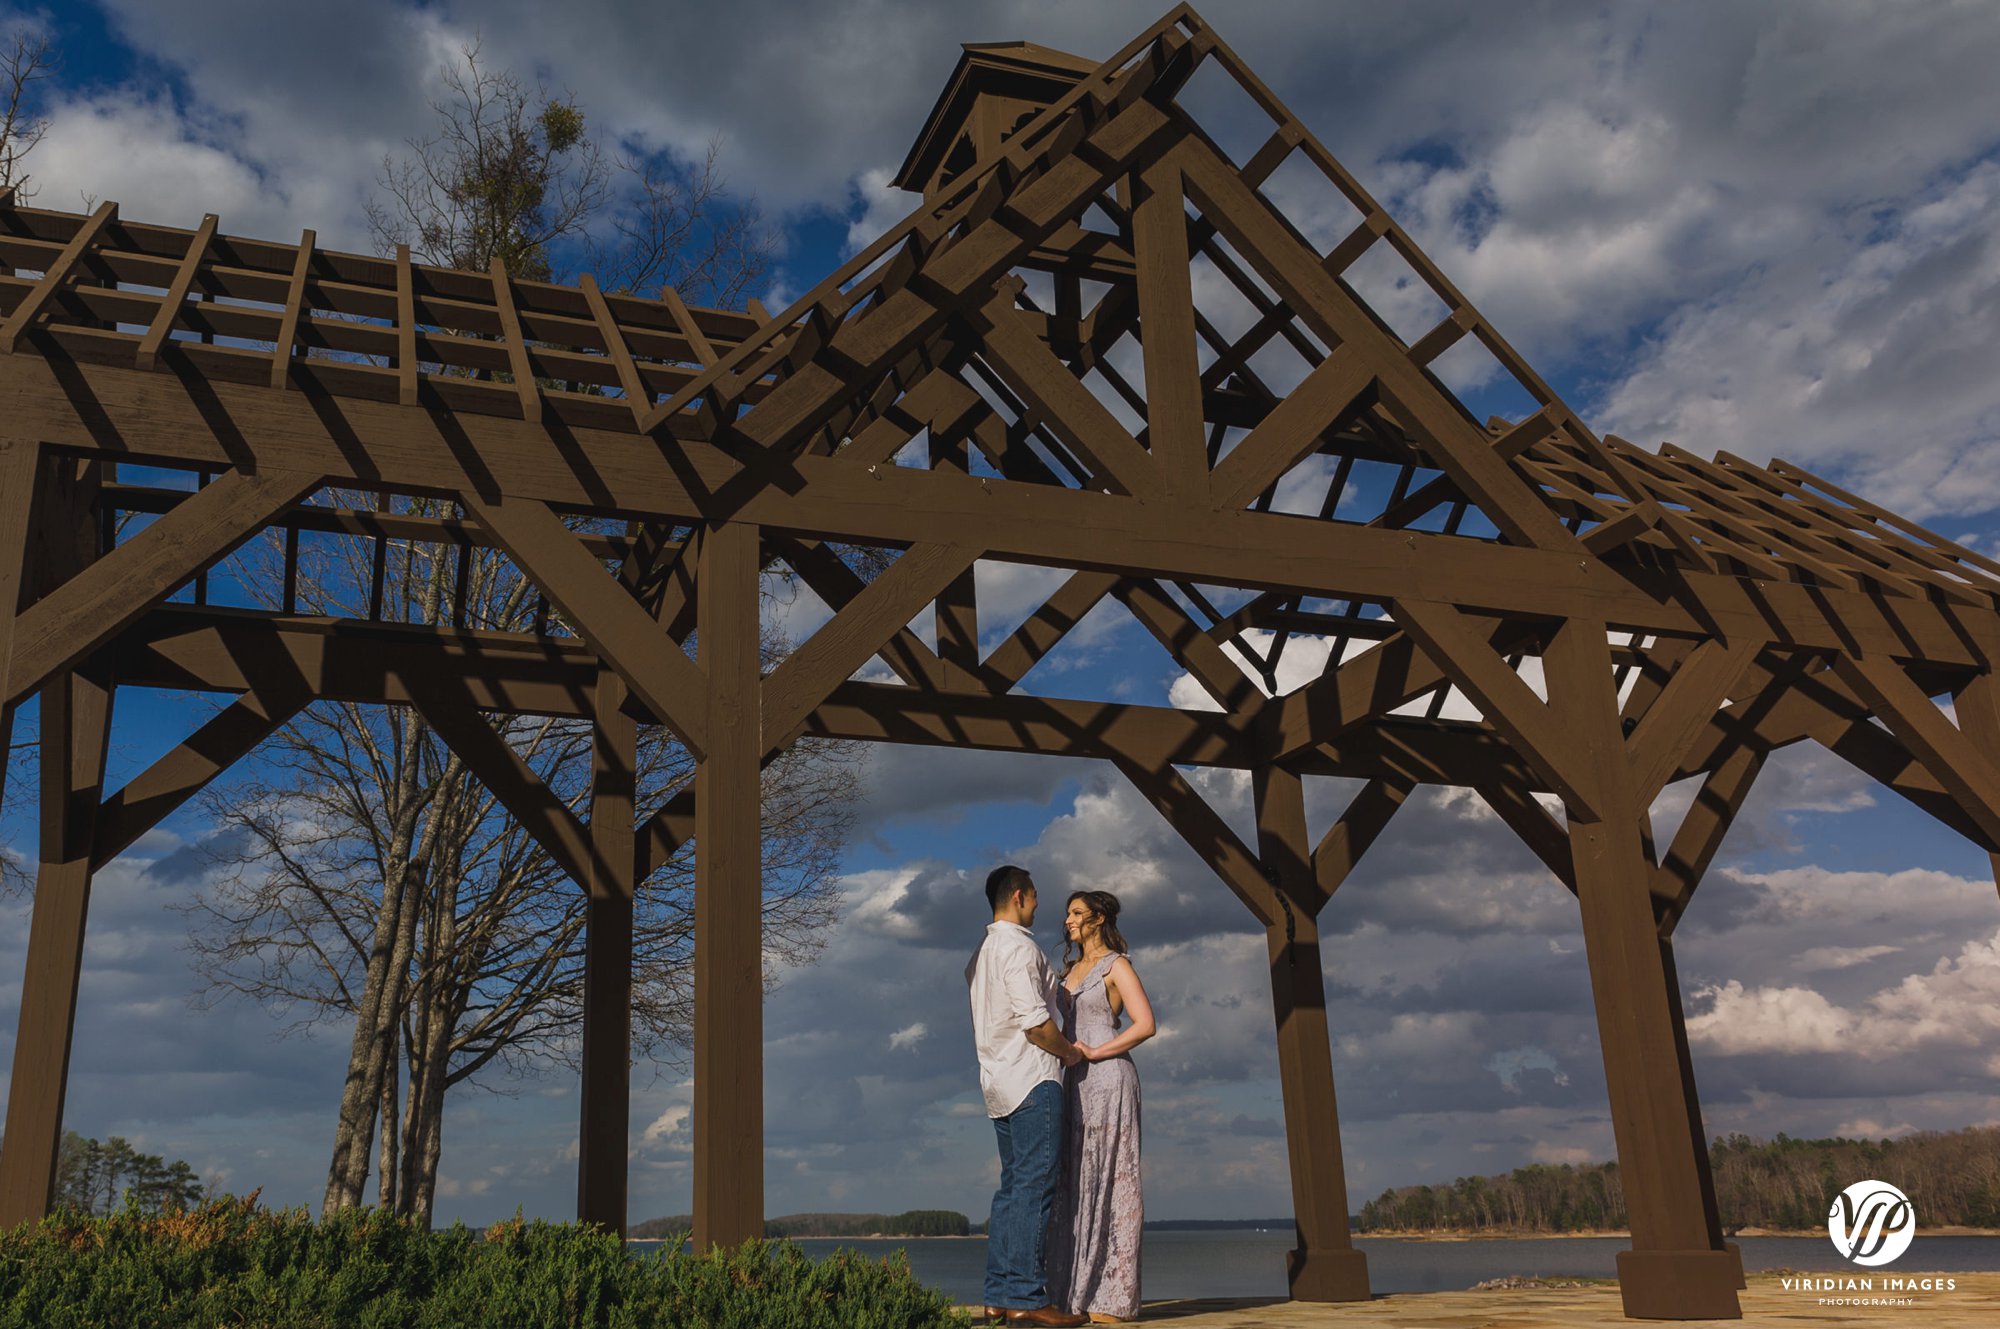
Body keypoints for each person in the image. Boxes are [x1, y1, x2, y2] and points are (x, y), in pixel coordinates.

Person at [967, 865, 1089, 1328]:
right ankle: (1026, 1298)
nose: (1040, 907)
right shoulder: (1017, 947)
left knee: (1012, 1190)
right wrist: (1071, 1054)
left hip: (997, 1080)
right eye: (1036, 898)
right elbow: (1037, 1025)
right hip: (1032, 1079)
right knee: (1034, 1190)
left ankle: (998, 1296)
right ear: (1019, 896)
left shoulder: (980, 953)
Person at [1047, 890, 1155, 1324]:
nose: (1068, 920)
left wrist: (1099, 1051)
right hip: (1071, 1083)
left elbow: (1146, 1023)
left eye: (1076, 913)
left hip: (1109, 1080)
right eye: (1067, 912)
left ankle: (1111, 1298)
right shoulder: (1069, 971)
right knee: (1073, 1180)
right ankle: (1072, 1293)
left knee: (1112, 1179)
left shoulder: (1117, 964)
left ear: (1098, 918)